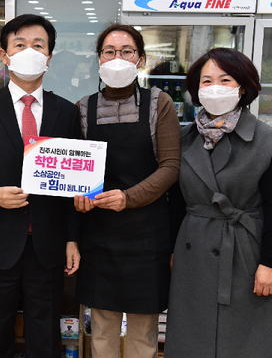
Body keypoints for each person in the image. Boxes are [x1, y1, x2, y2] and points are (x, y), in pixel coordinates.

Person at [0, 14, 81, 358]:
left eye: (38, 45)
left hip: (48, 245)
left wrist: (71, 238)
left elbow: (74, 186)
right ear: (4, 55)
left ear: (49, 56)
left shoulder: (67, 113)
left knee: (45, 336)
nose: (29, 51)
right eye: (20, 45)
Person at [164, 48, 272, 358]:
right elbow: (175, 202)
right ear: (196, 90)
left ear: (243, 87)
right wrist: (170, 249)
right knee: (190, 340)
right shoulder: (184, 139)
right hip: (191, 251)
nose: (214, 87)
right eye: (206, 81)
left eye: (225, 79)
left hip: (244, 254)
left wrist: (270, 264)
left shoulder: (268, 141)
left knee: (245, 341)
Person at [74, 24, 181, 358]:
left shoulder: (158, 104)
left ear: (141, 59)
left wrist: (128, 197)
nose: (117, 58)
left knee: (142, 332)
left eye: (126, 51)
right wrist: (76, 195)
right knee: (102, 329)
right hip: (99, 234)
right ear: (98, 60)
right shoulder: (83, 108)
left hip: (146, 235)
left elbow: (170, 168)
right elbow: (75, 168)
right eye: (109, 51)